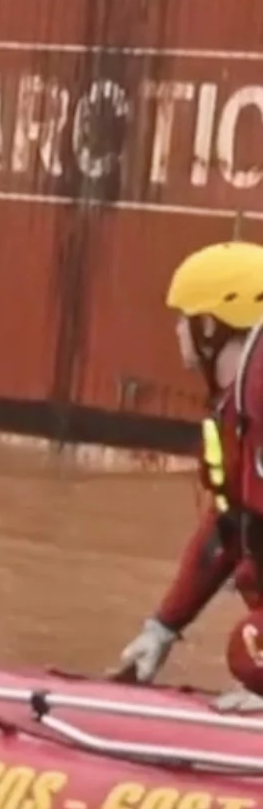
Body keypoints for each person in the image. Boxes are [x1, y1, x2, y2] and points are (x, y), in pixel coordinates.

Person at [113, 241, 263, 714]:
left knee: (251, 648)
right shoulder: (236, 406)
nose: (177, 330)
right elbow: (229, 528)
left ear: (210, 325)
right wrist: (162, 626)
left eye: (184, 318)